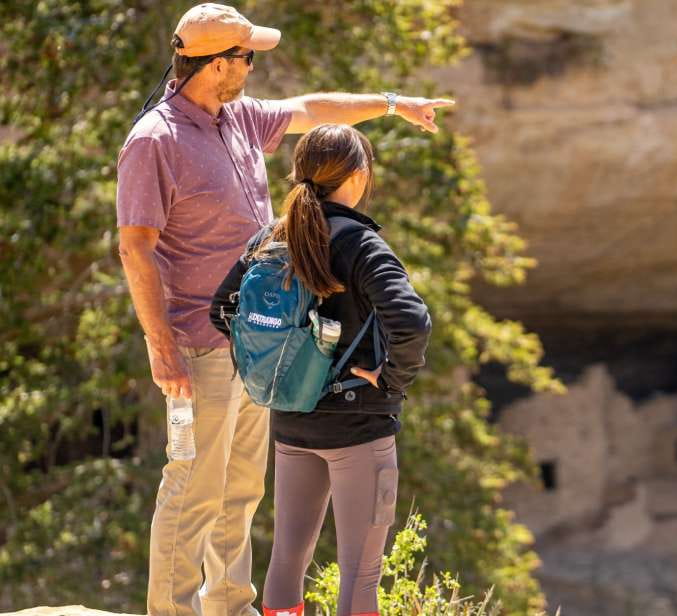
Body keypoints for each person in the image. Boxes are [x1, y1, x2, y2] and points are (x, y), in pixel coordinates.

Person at [114, 4, 451, 615]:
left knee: (241, 490)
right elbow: (134, 245)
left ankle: (230, 606)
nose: (252, 66)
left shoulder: (236, 118)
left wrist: (394, 103)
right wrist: (159, 345)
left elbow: (312, 110)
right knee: (192, 486)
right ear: (216, 64)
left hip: (260, 345)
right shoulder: (155, 140)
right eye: (246, 57)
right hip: (195, 344)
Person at [210, 123, 430, 616]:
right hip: (359, 426)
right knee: (360, 572)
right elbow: (412, 322)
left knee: (288, 558)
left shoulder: (272, 236)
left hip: (292, 420)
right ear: (358, 175)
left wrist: (272, 370)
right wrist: (390, 380)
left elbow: (222, 309)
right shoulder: (360, 243)